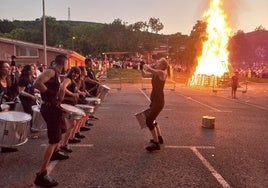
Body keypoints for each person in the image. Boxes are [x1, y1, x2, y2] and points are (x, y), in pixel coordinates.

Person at [33, 54, 69, 187]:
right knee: (54, 139)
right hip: (49, 108)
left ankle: (55, 152)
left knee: (62, 130)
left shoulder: (56, 74)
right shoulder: (51, 71)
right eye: (67, 63)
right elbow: (37, 83)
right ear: (64, 63)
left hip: (54, 107)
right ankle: (41, 174)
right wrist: (50, 93)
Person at [141, 58, 170, 151]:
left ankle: (156, 143)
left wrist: (145, 64)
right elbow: (145, 75)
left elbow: (149, 69)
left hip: (159, 101)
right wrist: (141, 68)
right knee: (153, 119)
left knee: (149, 121)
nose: (156, 63)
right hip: (154, 100)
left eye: (159, 62)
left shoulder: (162, 73)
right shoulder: (156, 73)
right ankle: (159, 137)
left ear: (163, 66)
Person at [0, 60, 19, 152]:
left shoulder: (7, 80)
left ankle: (5, 146)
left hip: (4, 107)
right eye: (6, 67)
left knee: (5, 128)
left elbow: (4, 94)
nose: (9, 69)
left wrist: (10, 98)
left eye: (9, 67)